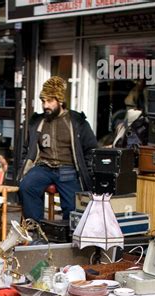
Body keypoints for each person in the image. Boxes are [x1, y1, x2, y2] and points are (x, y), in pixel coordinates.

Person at [19, 76, 97, 222]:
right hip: (43, 167)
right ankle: (35, 229)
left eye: (49, 101)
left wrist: (88, 173)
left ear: (60, 101)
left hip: (68, 168)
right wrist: (25, 166)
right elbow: (27, 148)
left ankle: (68, 236)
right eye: (43, 101)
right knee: (26, 187)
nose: (45, 105)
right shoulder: (38, 122)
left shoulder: (77, 122)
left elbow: (91, 150)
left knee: (73, 205)